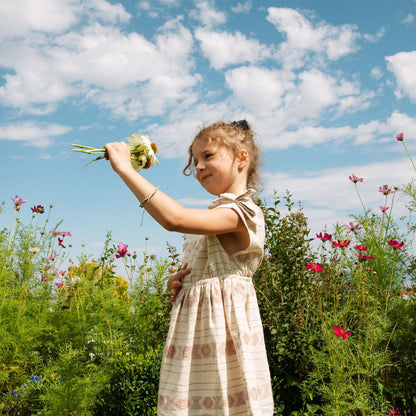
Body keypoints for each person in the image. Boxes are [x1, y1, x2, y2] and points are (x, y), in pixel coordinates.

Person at [104, 120, 274, 415]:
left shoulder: (241, 212)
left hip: (223, 336)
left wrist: (125, 169)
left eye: (207, 156)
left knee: (224, 403)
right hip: (197, 334)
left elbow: (175, 219)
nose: (198, 166)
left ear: (241, 158)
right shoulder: (217, 213)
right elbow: (210, 269)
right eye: (195, 160)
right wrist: (184, 282)